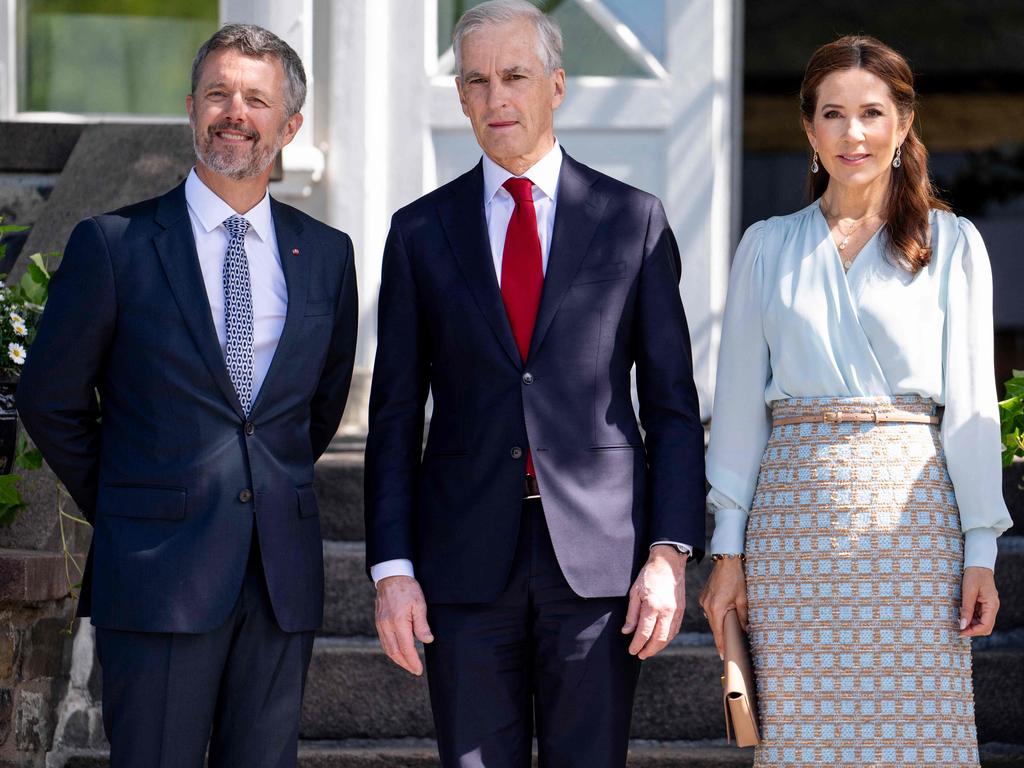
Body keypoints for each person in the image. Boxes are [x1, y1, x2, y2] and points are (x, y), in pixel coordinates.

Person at [363, 1, 705, 765]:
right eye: (476, 81)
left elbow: (674, 409)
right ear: (459, 97)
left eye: (514, 76)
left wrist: (669, 553)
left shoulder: (632, 220)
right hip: (462, 561)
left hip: (598, 563)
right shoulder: (419, 233)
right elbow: (392, 419)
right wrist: (392, 570)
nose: (496, 99)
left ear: (557, 84)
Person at [17, 24, 358, 768]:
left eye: (256, 99)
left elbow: (313, 408)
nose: (234, 111)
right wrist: (132, 492)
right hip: (157, 576)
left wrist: (261, 480)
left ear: (289, 124)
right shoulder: (115, 245)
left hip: (279, 584)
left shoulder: (327, 256)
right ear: (191, 108)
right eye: (218, 93)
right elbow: (50, 397)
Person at [699, 35, 1011, 767]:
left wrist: (981, 548)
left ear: (903, 124)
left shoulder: (953, 245)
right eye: (833, 114)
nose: (854, 133)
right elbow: (740, 408)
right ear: (809, 130)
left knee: (918, 739)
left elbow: (972, 407)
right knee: (802, 741)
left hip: (914, 532)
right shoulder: (767, 247)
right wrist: (727, 549)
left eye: (872, 112)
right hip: (792, 529)